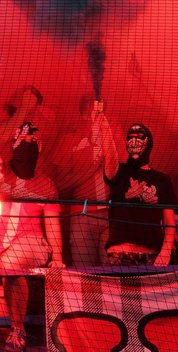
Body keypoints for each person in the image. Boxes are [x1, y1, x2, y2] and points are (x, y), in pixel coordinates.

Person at [0, 122, 63, 352]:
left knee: (9, 264)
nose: (29, 147)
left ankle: (17, 331)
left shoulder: (46, 184)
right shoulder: (1, 173)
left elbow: (52, 224)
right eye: (24, 142)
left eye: (34, 143)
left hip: (33, 243)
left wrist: (57, 257)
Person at [95, 113, 176, 266]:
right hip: (119, 256)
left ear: (149, 142)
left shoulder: (162, 180)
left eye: (139, 136)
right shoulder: (120, 173)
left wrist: (165, 252)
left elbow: (169, 221)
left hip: (150, 256)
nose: (134, 140)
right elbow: (110, 157)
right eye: (130, 136)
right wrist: (105, 128)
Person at [52, 96, 111, 266]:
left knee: (113, 270)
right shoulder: (69, 140)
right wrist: (90, 170)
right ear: (81, 115)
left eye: (99, 114)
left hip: (112, 216)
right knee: (83, 271)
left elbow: (122, 174)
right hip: (81, 215)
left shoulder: (114, 138)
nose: (93, 119)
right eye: (89, 114)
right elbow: (60, 185)